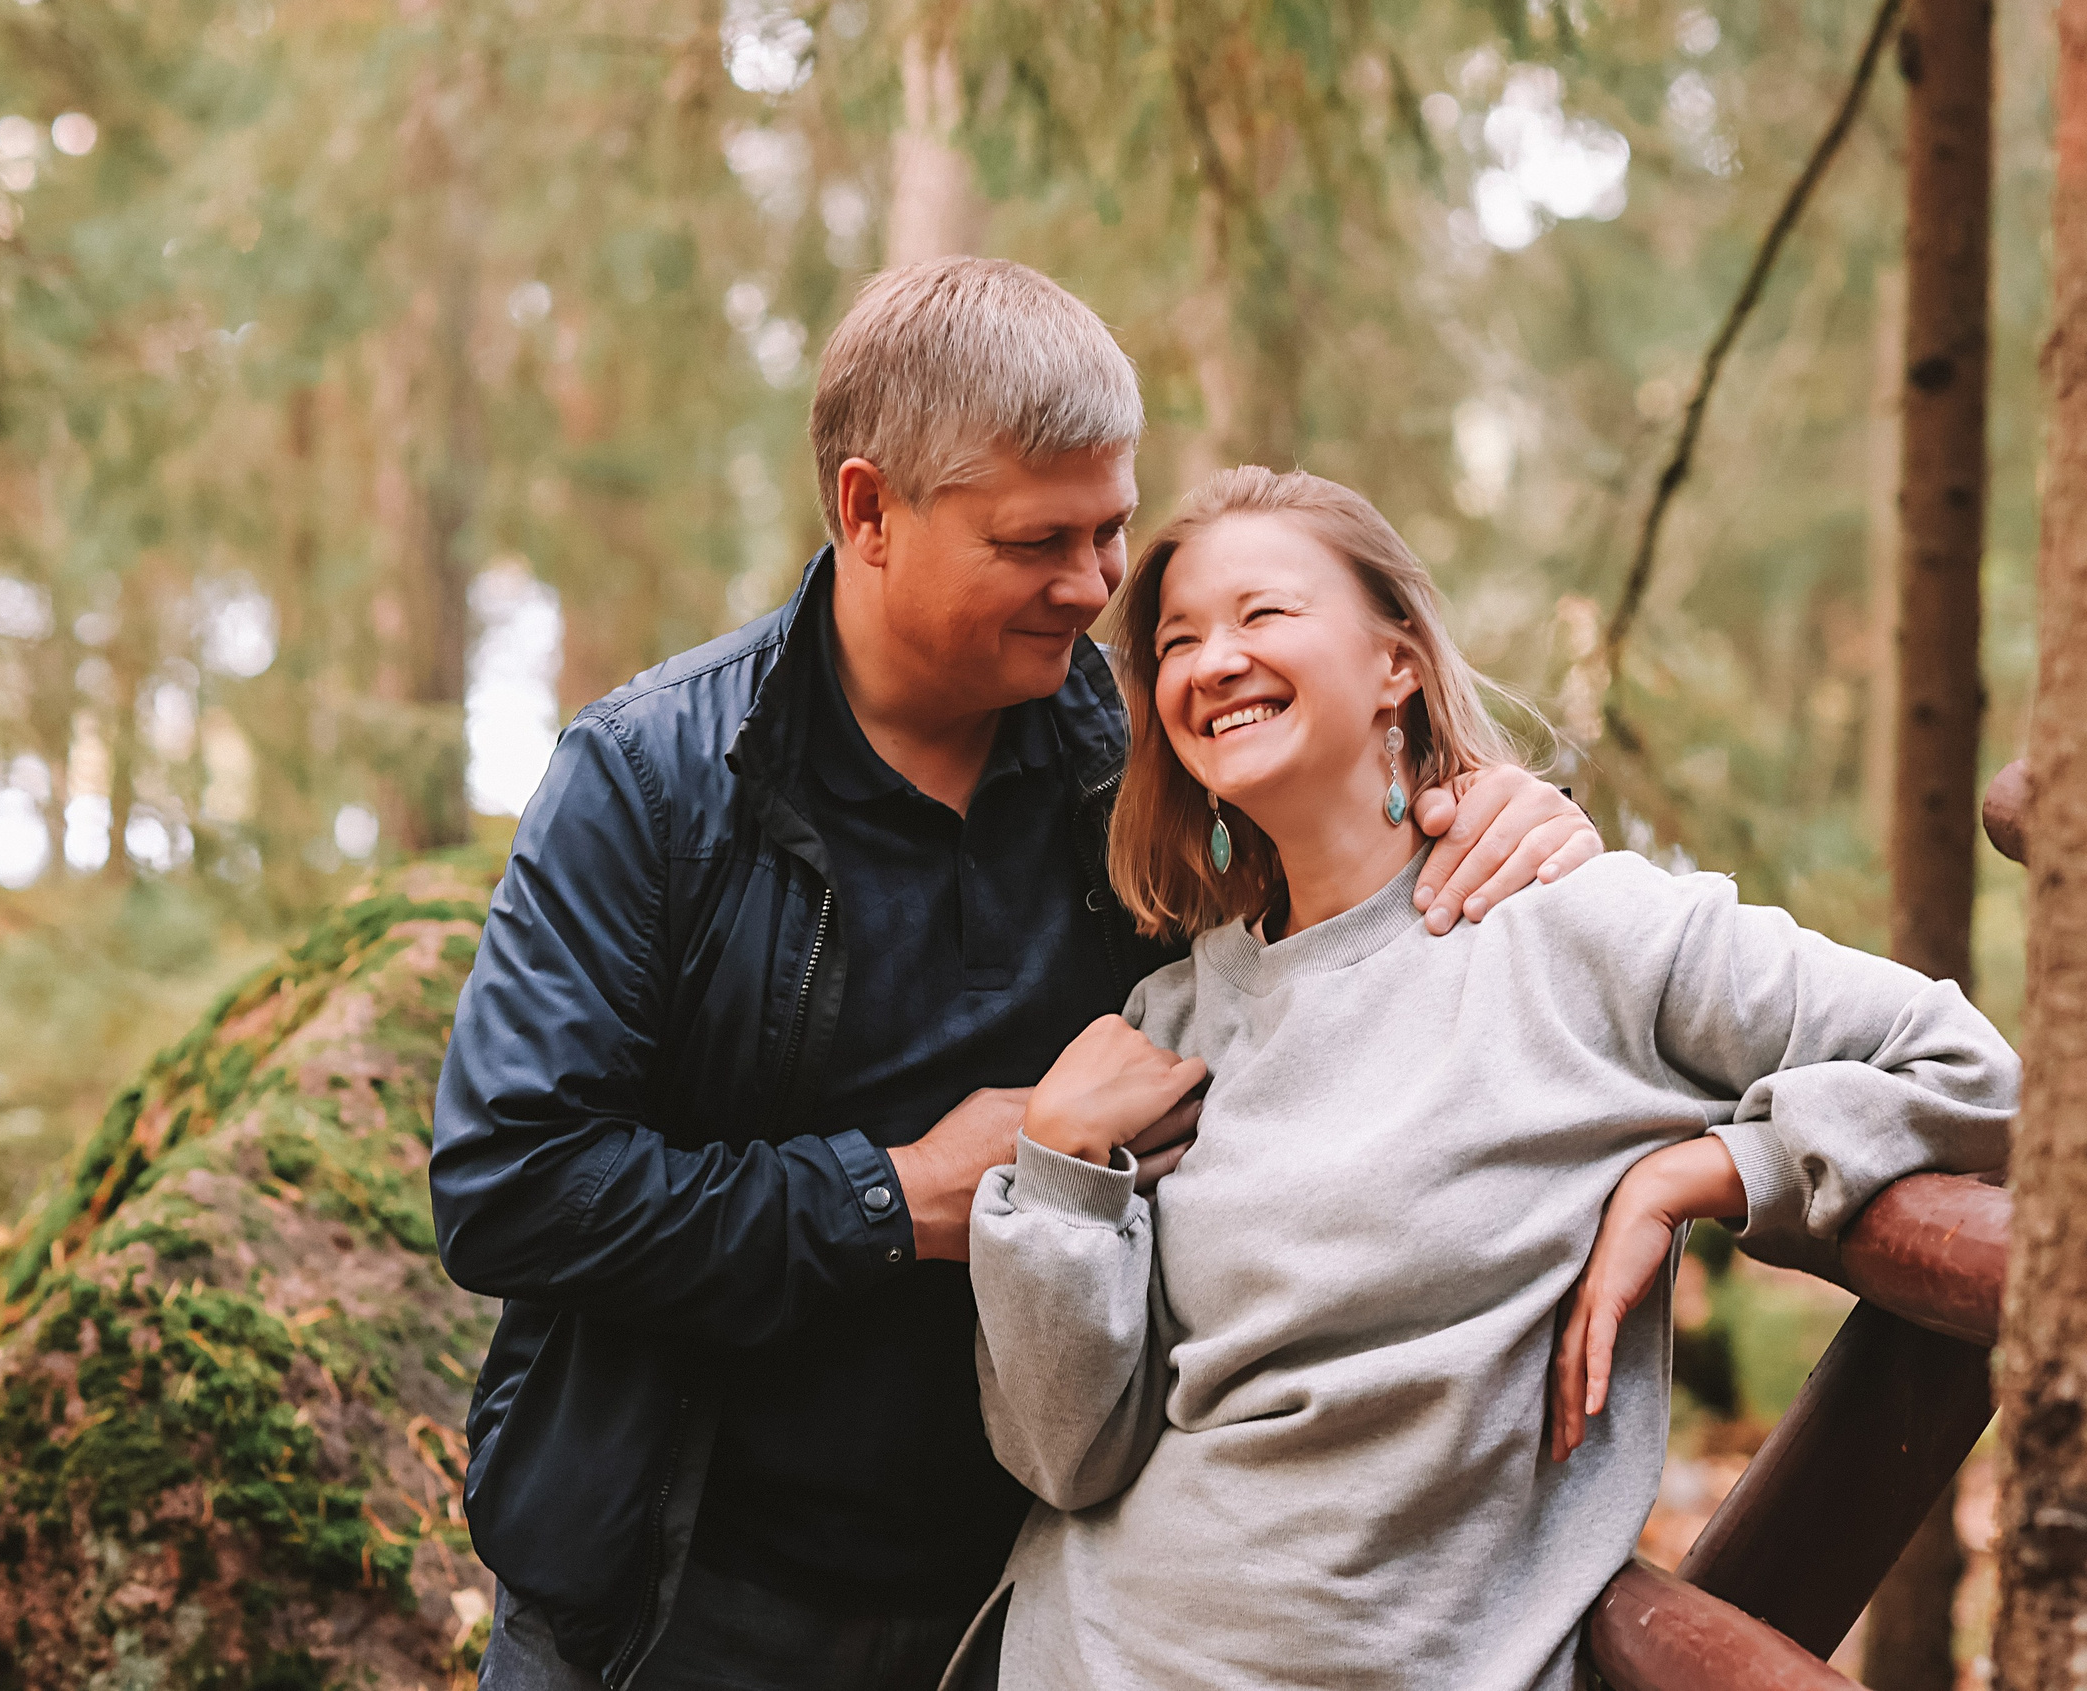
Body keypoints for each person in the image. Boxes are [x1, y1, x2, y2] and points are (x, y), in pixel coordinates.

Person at [430, 259, 1602, 1691]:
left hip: (1023, 1602)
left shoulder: (1144, 762)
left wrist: (1493, 813)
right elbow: (514, 1186)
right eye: (1038, 540)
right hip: (668, 1604)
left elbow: (1340, 928)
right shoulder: (655, 776)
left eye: (1111, 529)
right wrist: (897, 1194)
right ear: (869, 510)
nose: (1099, 585)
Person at [957, 467, 2019, 1691]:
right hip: (1081, 1654)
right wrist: (1055, 1176)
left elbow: (1975, 1071)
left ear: (1395, 659)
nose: (1211, 661)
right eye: (1179, 641)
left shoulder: (1571, 928)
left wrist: (1712, 1171)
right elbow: (1065, 1459)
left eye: (1262, 614)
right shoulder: (1171, 1017)